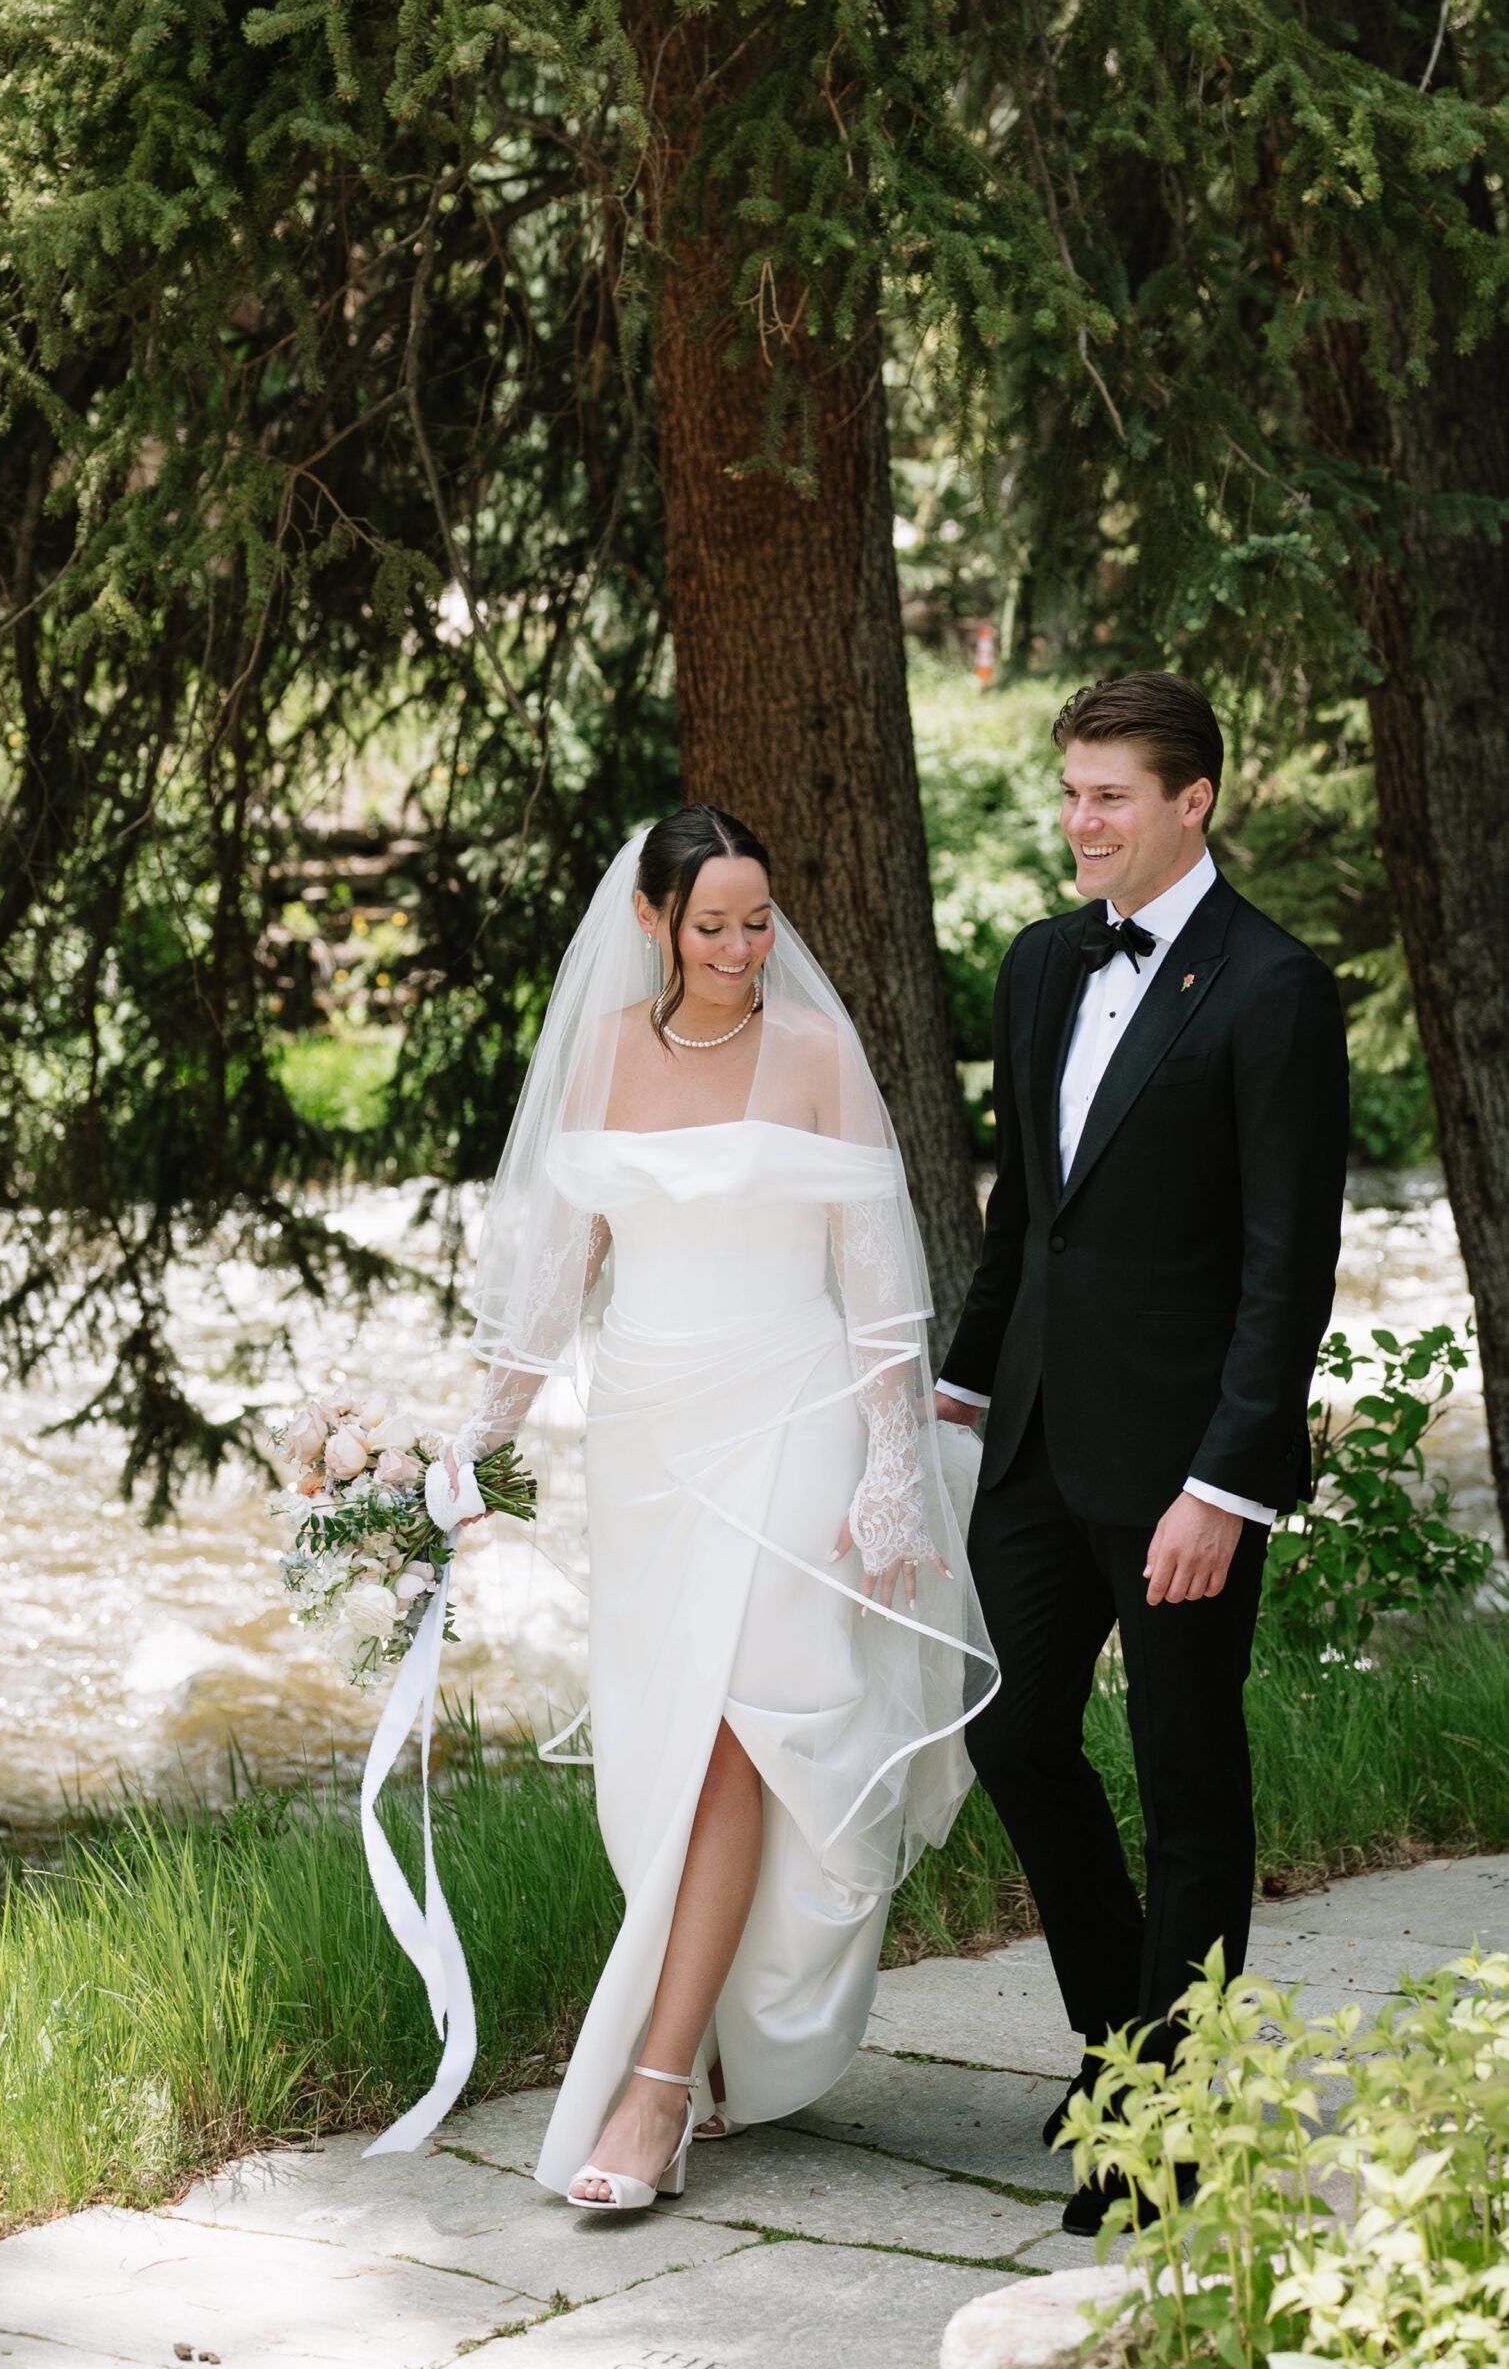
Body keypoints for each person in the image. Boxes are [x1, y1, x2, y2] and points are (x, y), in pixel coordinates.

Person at [432, 805, 998, 2213]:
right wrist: (471, 1442)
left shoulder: (814, 1057)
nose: (743, 950)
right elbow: (557, 1278)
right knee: (664, 1755)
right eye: (712, 927)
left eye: (757, 921)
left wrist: (886, 1461)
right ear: (654, 925)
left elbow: (876, 1277)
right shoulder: (605, 1058)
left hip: (799, 1416)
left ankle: (656, 2087)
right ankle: (729, 2041)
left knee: (748, 1736)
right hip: (648, 1438)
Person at [934, 673, 1349, 2236]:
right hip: (1035, 1447)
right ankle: (1126, 2050)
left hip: (1182, 1473)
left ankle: (1174, 2127)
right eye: (1068, 793)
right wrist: (962, 1395)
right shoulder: (1040, 964)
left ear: (1192, 802)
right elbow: (1019, 1215)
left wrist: (1225, 1487)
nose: (1077, 823)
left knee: (1186, 1779)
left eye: (1109, 795)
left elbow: (1281, 1266)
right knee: (1012, 1736)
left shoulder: (1272, 989)